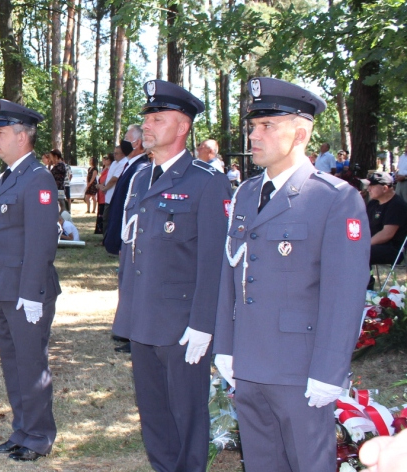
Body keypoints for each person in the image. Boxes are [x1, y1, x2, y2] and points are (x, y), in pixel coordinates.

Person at [213, 77, 370, 472]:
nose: (254, 135)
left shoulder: (334, 198)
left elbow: (345, 294)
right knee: (263, 462)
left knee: (307, 463)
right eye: (252, 126)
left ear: (300, 133)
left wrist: (329, 371)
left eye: (267, 126)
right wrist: (226, 346)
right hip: (249, 361)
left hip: (300, 368)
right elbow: (232, 273)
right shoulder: (246, 193)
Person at [111, 79, 231, 472]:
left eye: (157, 118)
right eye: (146, 117)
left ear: (182, 127)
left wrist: (203, 325)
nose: (146, 125)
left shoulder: (207, 181)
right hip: (143, 316)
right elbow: (133, 251)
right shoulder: (141, 177)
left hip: (182, 324)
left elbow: (216, 260)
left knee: (187, 415)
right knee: (154, 414)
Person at [0, 99, 61, 462]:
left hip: (26, 291)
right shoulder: (10, 176)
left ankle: (40, 435)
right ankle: (22, 430)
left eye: (0, 133)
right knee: (13, 363)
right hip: (5, 288)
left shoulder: (38, 178)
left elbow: (41, 242)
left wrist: (32, 294)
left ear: (22, 136)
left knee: (31, 364)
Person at [103, 124, 149, 255]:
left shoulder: (141, 168)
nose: (123, 142)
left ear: (137, 143)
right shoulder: (130, 165)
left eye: (126, 138)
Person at [364, 172, 407, 289]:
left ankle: (366, 288)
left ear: (385, 188)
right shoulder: (373, 203)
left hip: (391, 248)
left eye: (372, 186)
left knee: (360, 253)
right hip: (372, 245)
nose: (368, 189)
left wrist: (363, 244)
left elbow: (387, 234)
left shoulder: (397, 205)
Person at [99, 144, 128, 238]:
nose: (114, 155)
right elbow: (109, 177)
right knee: (105, 217)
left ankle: (108, 238)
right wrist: (103, 185)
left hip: (114, 196)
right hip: (108, 195)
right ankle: (106, 238)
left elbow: (115, 179)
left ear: (123, 154)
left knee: (109, 217)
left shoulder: (124, 163)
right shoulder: (115, 163)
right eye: (114, 153)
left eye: (117, 153)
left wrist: (105, 188)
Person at [94, 154, 112, 235]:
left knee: (104, 213)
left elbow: (108, 179)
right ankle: (100, 229)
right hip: (101, 192)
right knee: (101, 211)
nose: (104, 160)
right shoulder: (104, 169)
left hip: (105, 192)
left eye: (106, 159)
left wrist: (102, 186)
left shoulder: (110, 169)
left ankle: (103, 232)